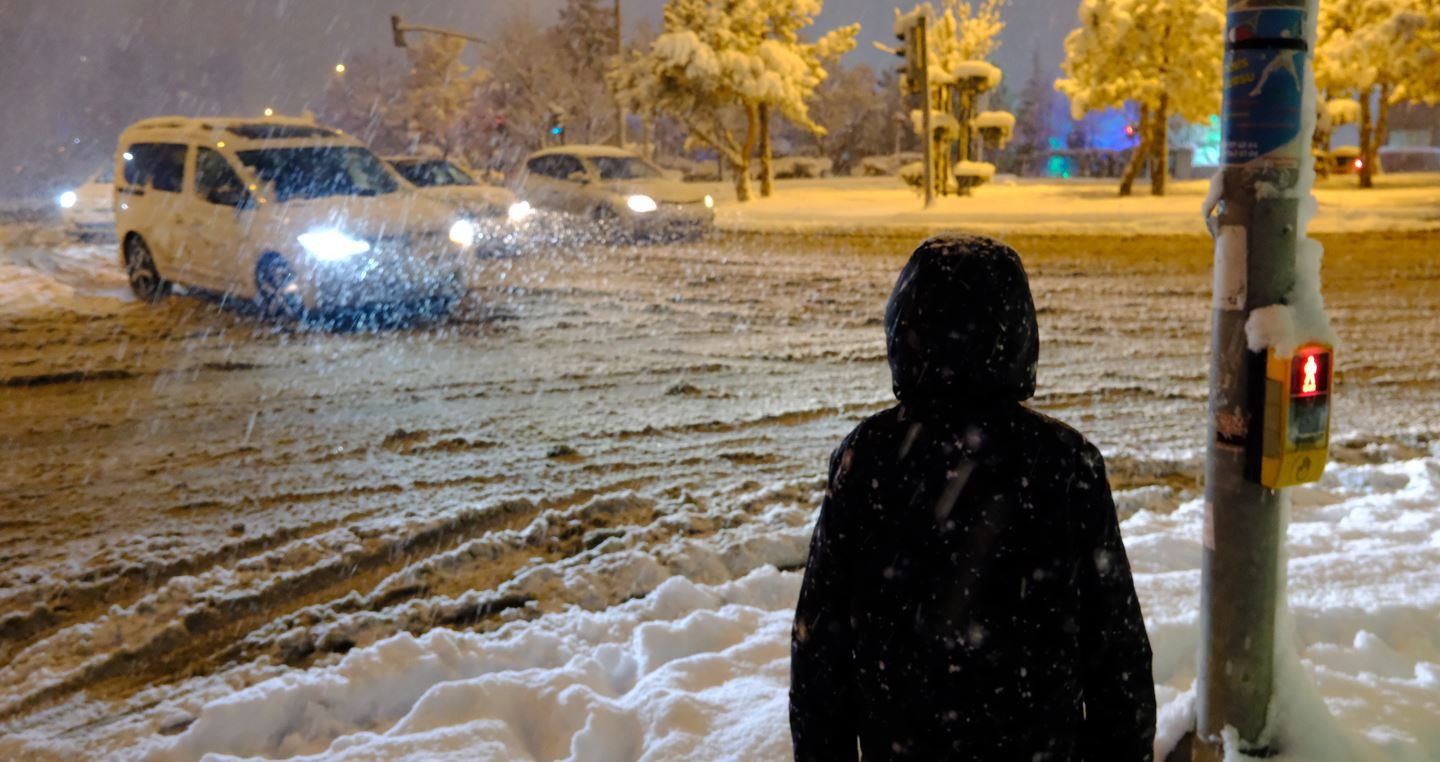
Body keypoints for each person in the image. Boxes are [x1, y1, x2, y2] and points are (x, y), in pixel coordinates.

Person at [790, 235, 1155, 761]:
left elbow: (819, 650)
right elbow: (1117, 653)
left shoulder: (868, 457)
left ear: (903, 328)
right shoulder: (1064, 461)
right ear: (1020, 332)